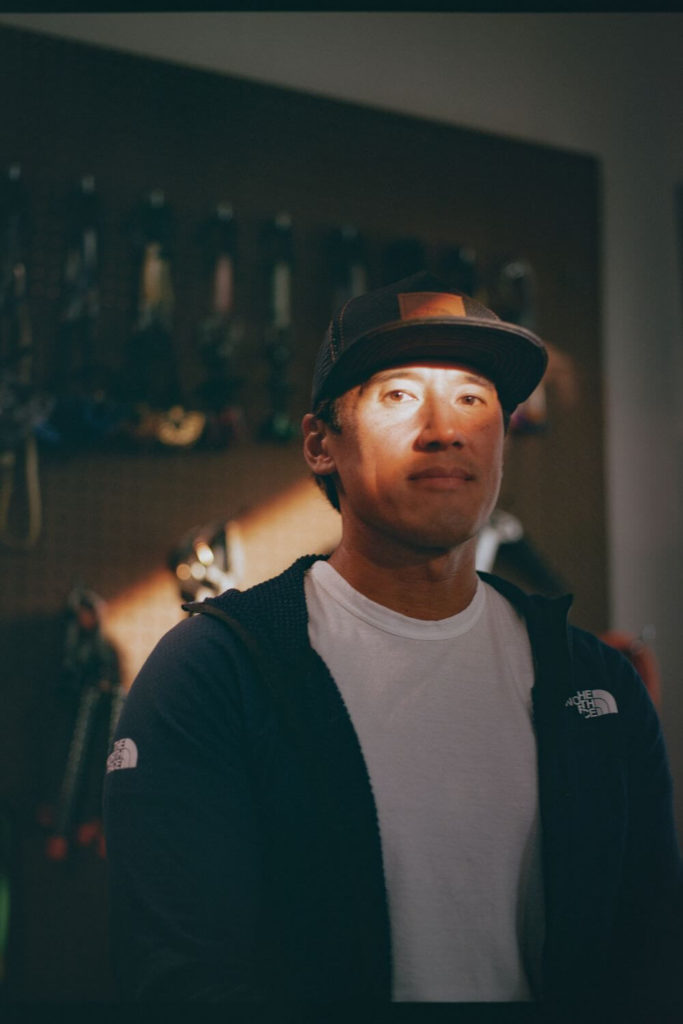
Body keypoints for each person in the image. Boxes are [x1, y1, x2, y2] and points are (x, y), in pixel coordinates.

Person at [103, 271, 682, 1011]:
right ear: (319, 443)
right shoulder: (216, 671)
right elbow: (179, 979)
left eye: (473, 398)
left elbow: (652, 956)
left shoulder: (592, 684)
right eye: (399, 395)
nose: (445, 428)